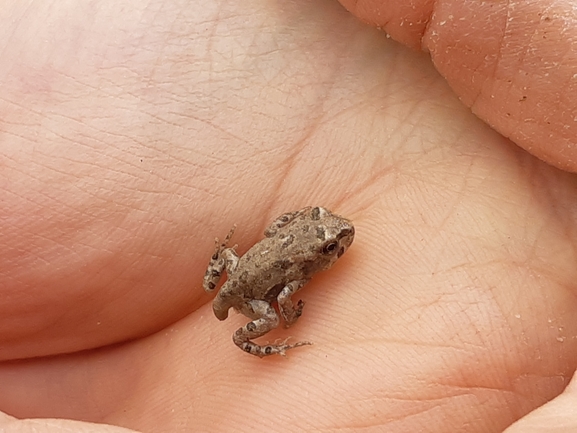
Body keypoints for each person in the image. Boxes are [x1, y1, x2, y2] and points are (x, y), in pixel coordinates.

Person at [1, 1, 575, 432]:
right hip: (243, 294)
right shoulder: (294, 269)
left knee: (228, 273)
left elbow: (282, 230)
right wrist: (288, 315)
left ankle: (224, 281)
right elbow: (286, 299)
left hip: (231, 273)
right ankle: (259, 342)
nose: (339, 238)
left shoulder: (287, 234)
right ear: (312, 252)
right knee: (262, 323)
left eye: (329, 234)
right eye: (330, 243)